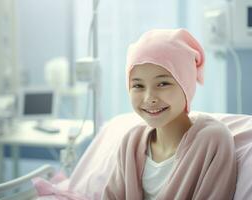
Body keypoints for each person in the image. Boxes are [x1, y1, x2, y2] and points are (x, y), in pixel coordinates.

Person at [101, 29, 237, 200]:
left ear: (185, 84)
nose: (149, 98)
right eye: (138, 86)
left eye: (163, 83)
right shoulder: (131, 141)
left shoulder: (212, 140)